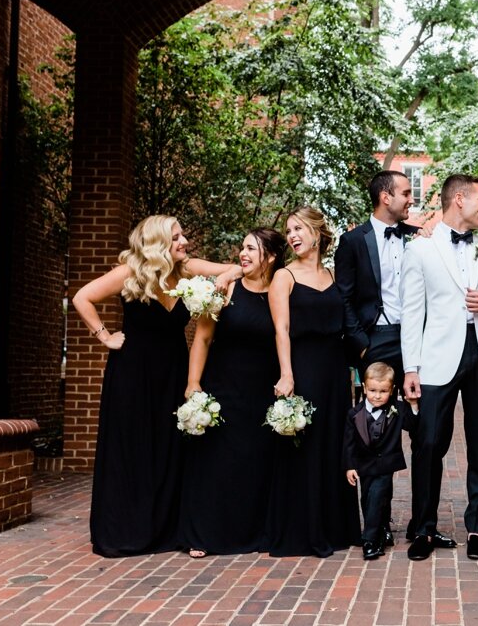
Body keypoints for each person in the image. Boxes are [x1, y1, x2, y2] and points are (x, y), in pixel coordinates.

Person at [70, 215, 240, 557]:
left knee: (169, 446)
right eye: (176, 237)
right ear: (159, 242)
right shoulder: (129, 272)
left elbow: (235, 268)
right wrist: (104, 336)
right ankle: (125, 530)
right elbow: (81, 298)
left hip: (173, 370)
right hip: (132, 373)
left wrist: (222, 276)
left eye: (183, 235)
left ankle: (168, 529)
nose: (184, 241)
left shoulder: (186, 270)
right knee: (131, 447)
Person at [399, 173, 478, 561]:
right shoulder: (421, 251)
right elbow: (413, 312)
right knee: (429, 441)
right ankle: (423, 529)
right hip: (435, 357)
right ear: (460, 199)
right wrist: (410, 368)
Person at [182, 228, 295, 558]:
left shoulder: (280, 291)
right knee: (216, 463)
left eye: (251, 249)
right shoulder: (226, 287)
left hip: (262, 391)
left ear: (270, 257)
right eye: (241, 247)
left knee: (255, 463)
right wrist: (193, 383)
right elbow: (202, 338)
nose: (242, 254)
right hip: (223, 386)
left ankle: (254, 533)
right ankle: (204, 534)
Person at [265, 207, 357, 558]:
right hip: (302, 367)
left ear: (317, 232)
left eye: (298, 228)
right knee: (306, 445)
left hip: (334, 371)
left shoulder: (333, 276)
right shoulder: (284, 277)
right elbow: (281, 330)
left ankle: (337, 527)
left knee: (334, 443)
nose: (292, 236)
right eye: (289, 231)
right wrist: (287, 374)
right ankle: (304, 530)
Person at [336, 171, 416, 377]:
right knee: (376, 407)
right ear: (385, 198)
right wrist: (362, 345)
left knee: (417, 407)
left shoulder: (418, 236)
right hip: (374, 339)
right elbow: (344, 298)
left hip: (415, 338)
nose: (412, 200)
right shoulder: (352, 241)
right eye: (406, 194)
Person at [344, 363, 414, 561]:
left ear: (391, 390)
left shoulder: (397, 409)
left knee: (377, 494)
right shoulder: (354, 414)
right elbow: (348, 443)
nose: (377, 395)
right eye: (373, 390)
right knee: (368, 498)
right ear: (365, 388)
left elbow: (411, 425)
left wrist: (413, 406)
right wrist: (349, 466)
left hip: (386, 464)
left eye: (383, 391)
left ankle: (370, 540)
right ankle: (384, 529)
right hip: (364, 465)